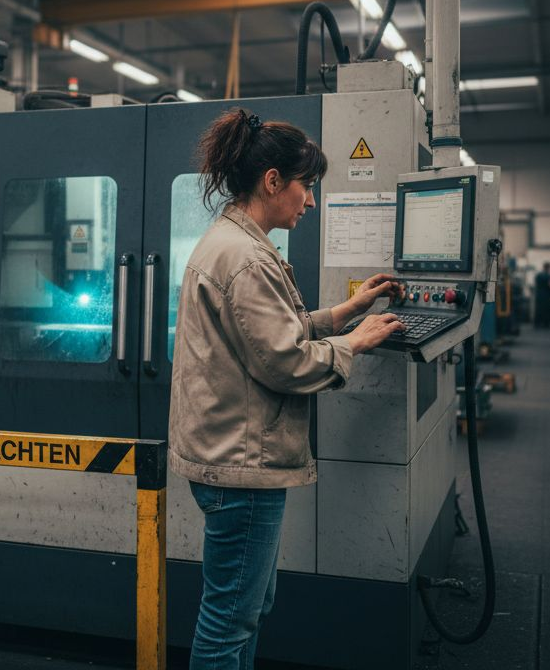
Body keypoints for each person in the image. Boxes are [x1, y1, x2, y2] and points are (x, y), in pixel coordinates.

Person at [169, 108, 406, 669]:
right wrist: (357, 342)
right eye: (307, 186)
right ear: (273, 181)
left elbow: (267, 331)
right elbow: (286, 362)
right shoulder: (247, 257)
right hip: (241, 462)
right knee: (230, 619)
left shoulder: (231, 241)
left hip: (225, 453)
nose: (311, 200)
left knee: (245, 607)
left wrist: (344, 313)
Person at [533, 262, 550, 329]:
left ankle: (537, 324)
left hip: (539, 295)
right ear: (548, 268)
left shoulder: (539, 275)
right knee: (547, 310)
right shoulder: (549, 276)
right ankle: (546, 324)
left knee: (539, 310)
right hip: (546, 295)